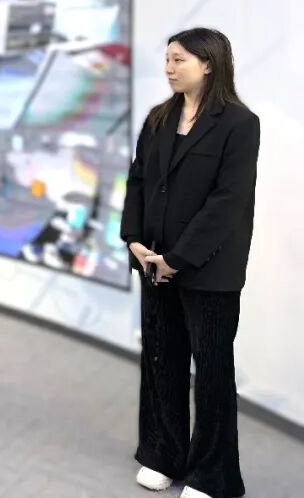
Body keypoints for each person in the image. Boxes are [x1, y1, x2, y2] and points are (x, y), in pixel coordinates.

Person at [121, 28, 260, 498]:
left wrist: (177, 259)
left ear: (209, 63)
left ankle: (213, 476)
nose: (169, 67)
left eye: (178, 59)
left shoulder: (240, 124)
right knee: (162, 361)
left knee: (213, 371)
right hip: (154, 263)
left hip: (209, 269)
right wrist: (134, 240)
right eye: (166, 58)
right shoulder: (159, 117)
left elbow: (228, 201)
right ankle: (163, 453)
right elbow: (138, 182)